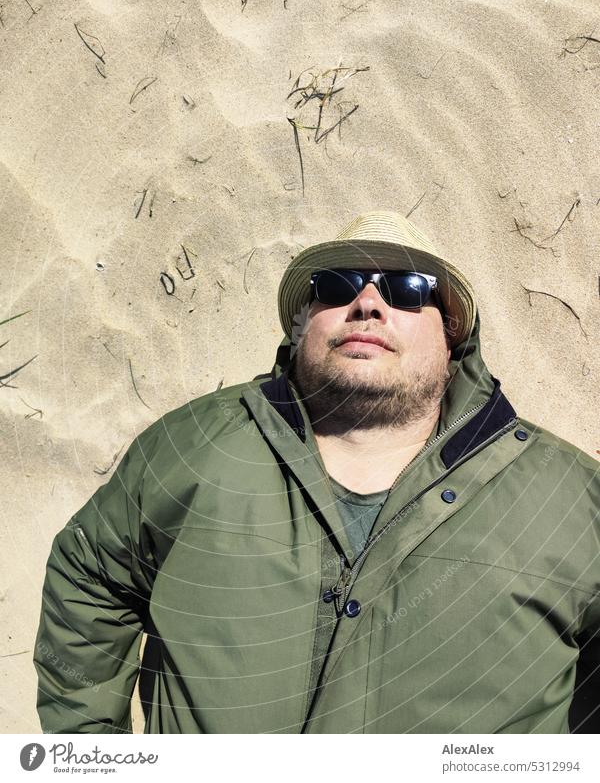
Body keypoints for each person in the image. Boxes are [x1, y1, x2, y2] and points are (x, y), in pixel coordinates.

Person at [34, 209, 600, 734]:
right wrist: (94, 755)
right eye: (338, 286)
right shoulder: (193, 446)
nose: (369, 305)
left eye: (408, 290)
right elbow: (90, 577)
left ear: (451, 333)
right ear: (303, 320)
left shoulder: (569, 497)